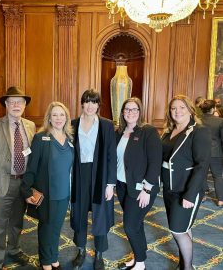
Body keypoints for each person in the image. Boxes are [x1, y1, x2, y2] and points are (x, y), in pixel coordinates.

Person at [0, 86, 36, 270]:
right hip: (0, 183)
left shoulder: (30, 126)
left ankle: (13, 249)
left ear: (25, 104)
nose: (16, 105)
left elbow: (33, 155)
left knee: (17, 222)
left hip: (23, 183)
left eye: (19, 102)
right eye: (12, 102)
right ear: (6, 104)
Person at [21, 101, 74, 270]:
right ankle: (45, 262)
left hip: (64, 193)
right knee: (46, 227)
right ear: (49, 118)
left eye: (62, 115)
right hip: (47, 193)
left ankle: (53, 257)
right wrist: (26, 189)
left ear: (66, 118)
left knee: (57, 227)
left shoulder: (70, 139)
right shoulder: (41, 138)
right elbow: (32, 167)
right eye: (55, 115)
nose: (58, 118)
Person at [161, 95, 211, 270]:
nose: (177, 111)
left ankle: (187, 268)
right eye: (174, 108)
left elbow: (202, 165)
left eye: (182, 107)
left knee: (178, 230)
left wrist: (190, 194)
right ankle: (183, 263)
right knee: (184, 227)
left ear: (190, 109)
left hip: (186, 190)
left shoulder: (199, 131)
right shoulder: (168, 131)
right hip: (169, 189)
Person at [70, 89, 117, 270]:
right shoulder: (72, 124)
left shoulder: (106, 125)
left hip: (101, 174)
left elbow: (112, 155)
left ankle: (99, 254)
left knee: (101, 215)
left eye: (94, 102)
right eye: (87, 101)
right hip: (79, 174)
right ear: (82, 103)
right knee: (79, 213)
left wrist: (110, 184)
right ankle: (81, 251)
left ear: (99, 105)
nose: (90, 106)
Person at [116, 97, 162, 270]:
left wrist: (147, 189)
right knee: (136, 223)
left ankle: (140, 263)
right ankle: (138, 257)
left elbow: (155, 161)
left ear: (140, 112)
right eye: (127, 109)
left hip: (142, 188)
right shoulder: (119, 131)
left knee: (130, 225)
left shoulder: (148, 131)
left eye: (135, 109)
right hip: (122, 186)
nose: (131, 113)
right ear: (122, 112)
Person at [200, 99, 223, 207]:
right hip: (216, 152)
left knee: (201, 174)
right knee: (217, 176)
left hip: (200, 151)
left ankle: (202, 196)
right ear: (213, 109)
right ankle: (220, 200)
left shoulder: (197, 120)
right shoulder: (220, 121)